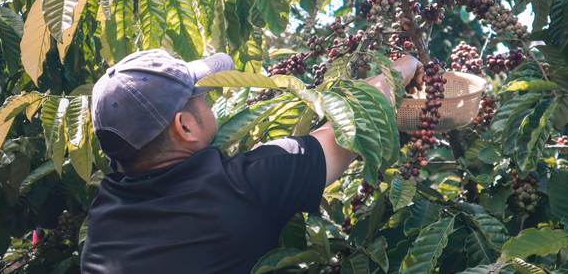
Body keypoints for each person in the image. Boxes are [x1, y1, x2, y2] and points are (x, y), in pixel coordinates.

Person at [80, 49, 424, 274]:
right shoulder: (247, 184)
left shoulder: (102, 219)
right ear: (184, 127)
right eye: (203, 97)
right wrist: (402, 68)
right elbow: (357, 120)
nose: (211, 102)